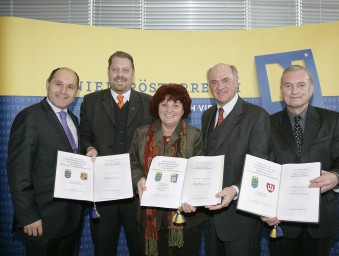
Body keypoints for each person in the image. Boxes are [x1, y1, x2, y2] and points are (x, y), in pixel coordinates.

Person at [261, 65, 339, 256]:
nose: (294, 91)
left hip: (320, 217)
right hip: (281, 219)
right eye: (288, 86)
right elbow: (263, 168)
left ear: (311, 89)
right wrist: (264, 205)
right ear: (281, 91)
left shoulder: (331, 120)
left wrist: (336, 177)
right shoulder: (268, 123)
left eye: (301, 85)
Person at [80, 51, 152, 256]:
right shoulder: (91, 101)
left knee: (141, 250)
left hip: (138, 194)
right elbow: (83, 135)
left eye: (125, 70)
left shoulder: (150, 103)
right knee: (103, 250)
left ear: (133, 73)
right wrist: (88, 148)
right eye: (115, 69)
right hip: (103, 194)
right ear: (108, 72)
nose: (120, 74)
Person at [7, 67, 83, 256]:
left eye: (70, 87)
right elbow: (18, 172)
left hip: (71, 220)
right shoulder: (30, 117)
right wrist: (28, 216)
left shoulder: (73, 119)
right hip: (41, 221)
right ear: (48, 84)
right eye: (58, 84)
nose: (63, 91)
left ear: (76, 92)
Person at [129, 83, 208, 256]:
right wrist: (138, 179)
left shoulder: (195, 135)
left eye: (175, 104)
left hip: (185, 219)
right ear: (156, 107)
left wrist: (191, 197)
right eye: (164, 104)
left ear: (184, 109)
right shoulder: (141, 134)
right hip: (150, 218)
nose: (169, 109)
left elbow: (199, 173)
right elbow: (133, 163)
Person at [201, 63, 271, 255]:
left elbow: (260, 165)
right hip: (210, 218)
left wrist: (236, 189)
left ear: (237, 82)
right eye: (213, 82)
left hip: (241, 219)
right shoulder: (207, 116)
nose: (219, 86)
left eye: (225, 80)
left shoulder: (257, 115)